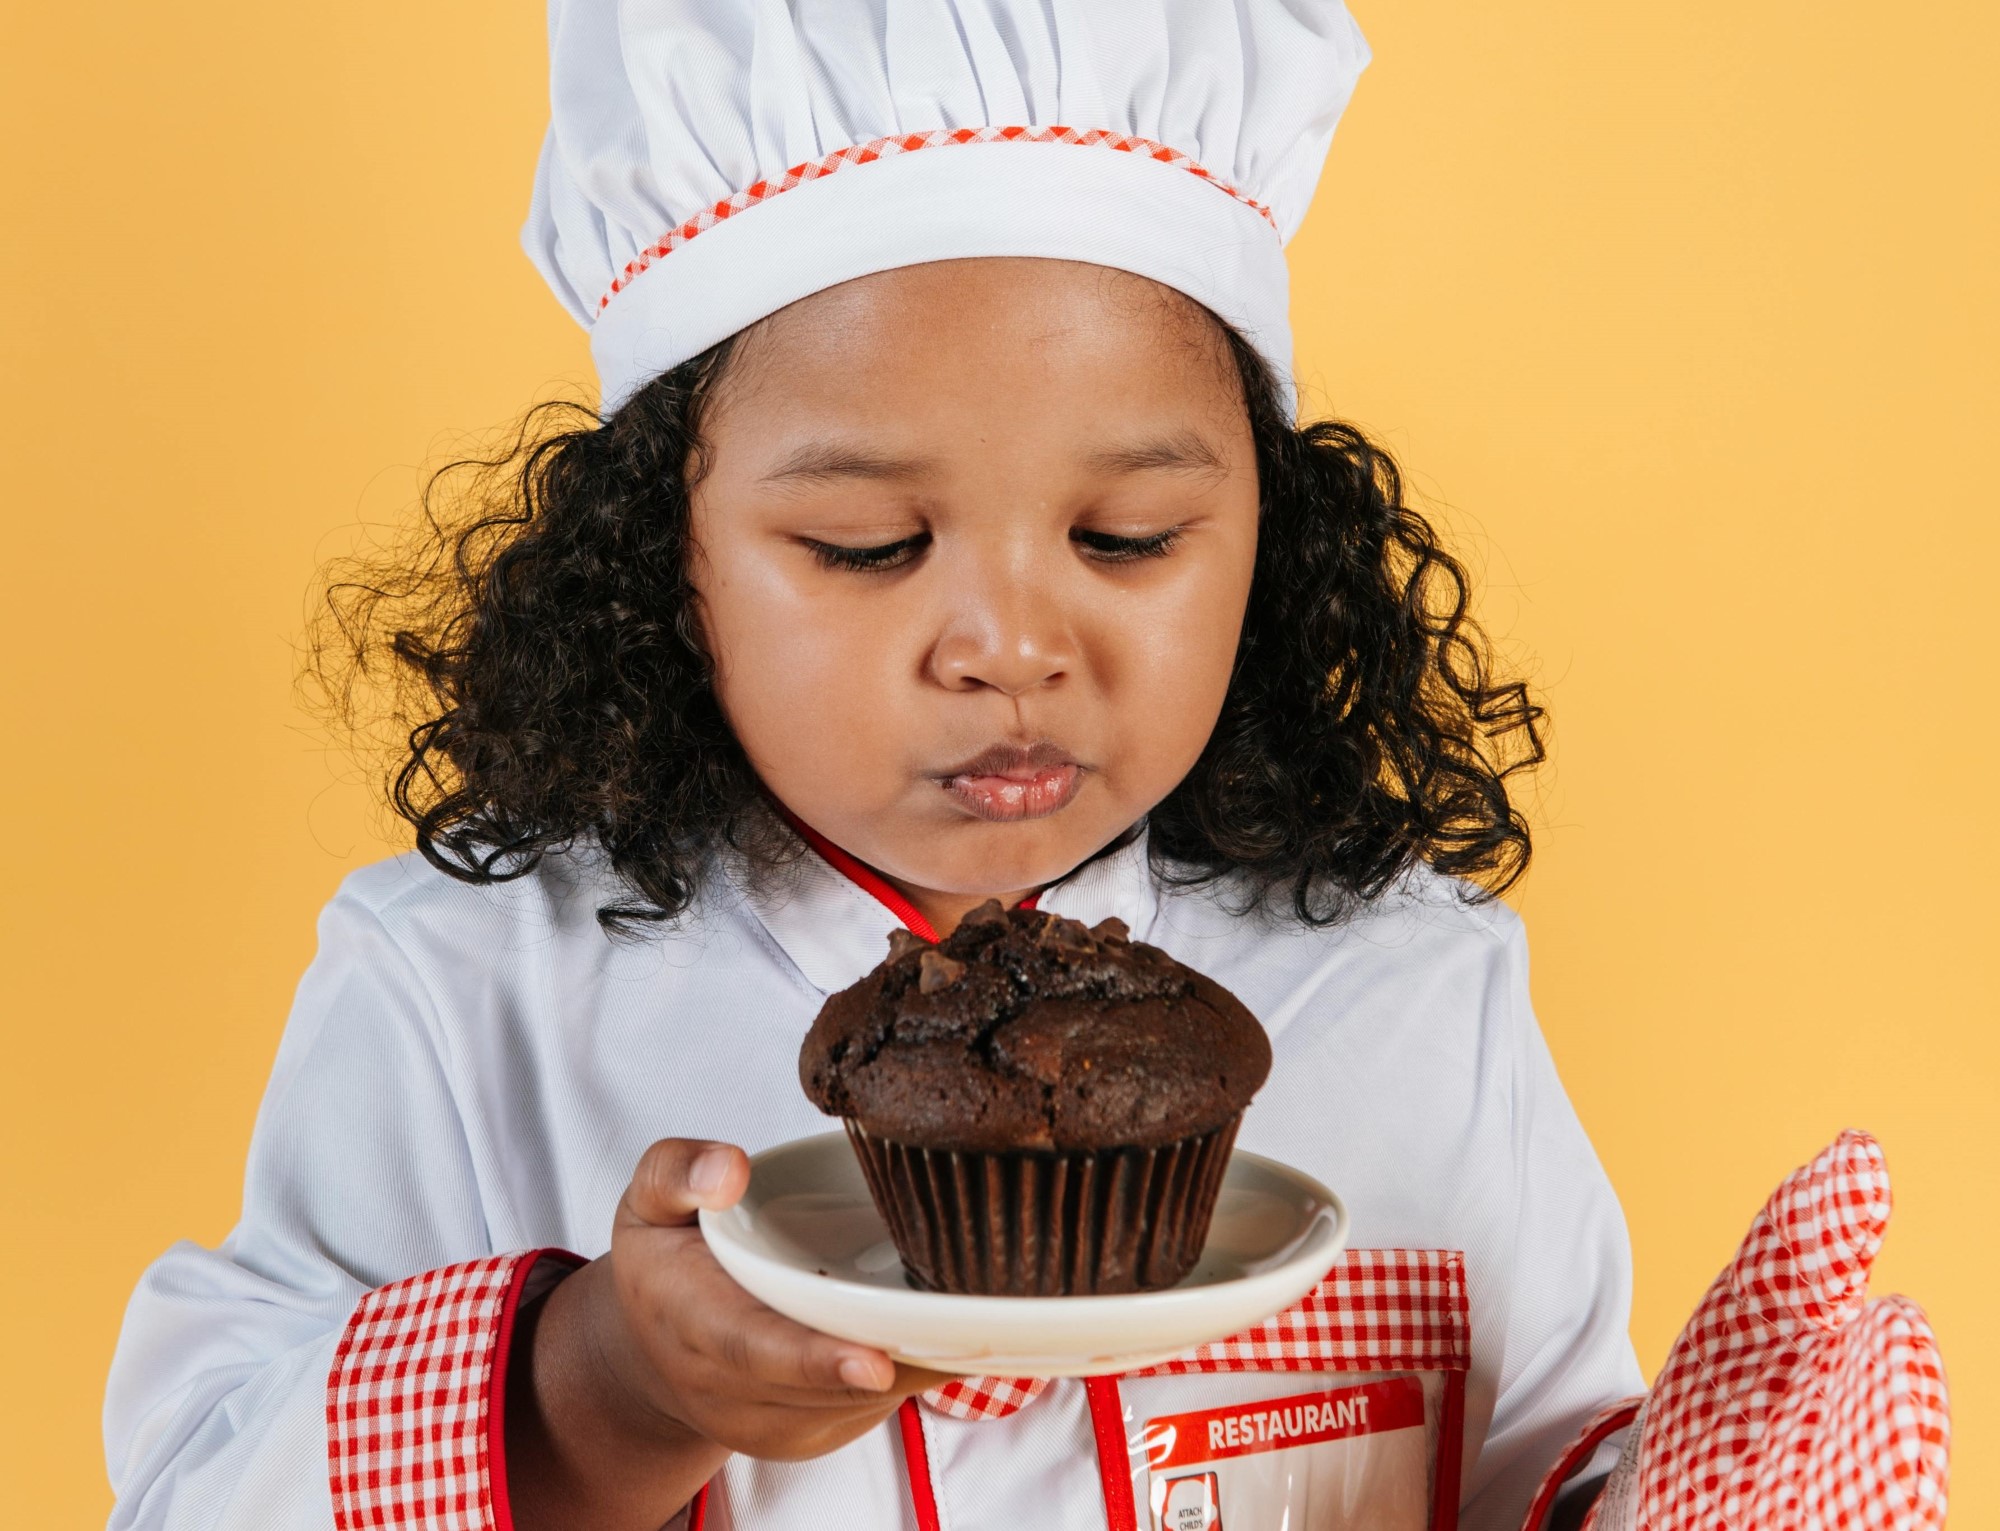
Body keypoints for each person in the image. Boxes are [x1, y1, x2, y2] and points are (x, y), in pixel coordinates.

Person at [101, 5, 1948, 1530]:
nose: (1008, 641)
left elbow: (1535, 1465)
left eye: (1131, 537)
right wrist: (601, 1392)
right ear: (664, 559)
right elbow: (193, 1487)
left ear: (1271, 540)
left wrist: (1687, 1491)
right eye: (868, 549)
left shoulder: (1420, 991)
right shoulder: (457, 996)